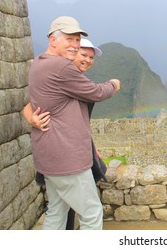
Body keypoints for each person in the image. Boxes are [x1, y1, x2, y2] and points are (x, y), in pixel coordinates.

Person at [28, 16, 120, 230]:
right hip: (67, 159)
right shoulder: (61, 68)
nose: (75, 44)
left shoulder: (38, 63)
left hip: (48, 157)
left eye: (77, 40)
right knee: (92, 213)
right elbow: (97, 92)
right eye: (69, 39)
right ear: (53, 40)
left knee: (56, 213)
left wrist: (91, 146)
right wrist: (113, 85)